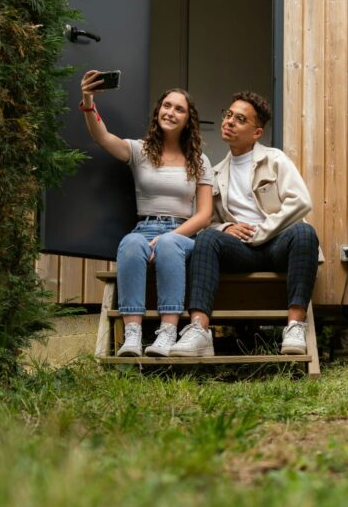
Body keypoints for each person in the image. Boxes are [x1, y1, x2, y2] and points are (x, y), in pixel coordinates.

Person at [170, 91, 319, 358]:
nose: (229, 122)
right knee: (206, 238)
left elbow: (301, 201)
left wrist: (262, 231)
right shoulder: (216, 172)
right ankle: (199, 331)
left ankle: (295, 327)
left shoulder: (274, 159)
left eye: (240, 119)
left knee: (305, 232)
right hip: (241, 250)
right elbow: (207, 221)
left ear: (256, 132)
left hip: (276, 245)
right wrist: (224, 229)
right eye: (228, 115)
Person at [79, 71, 214, 357]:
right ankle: (132, 335)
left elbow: (204, 215)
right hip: (144, 229)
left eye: (179, 109)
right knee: (129, 243)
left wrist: (169, 237)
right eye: (167, 106)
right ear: (158, 111)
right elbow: (103, 137)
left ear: (188, 120)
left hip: (182, 234)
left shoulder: (199, 160)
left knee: (168, 243)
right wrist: (88, 101)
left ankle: (167, 333)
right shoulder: (140, 151)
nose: (171, 112)